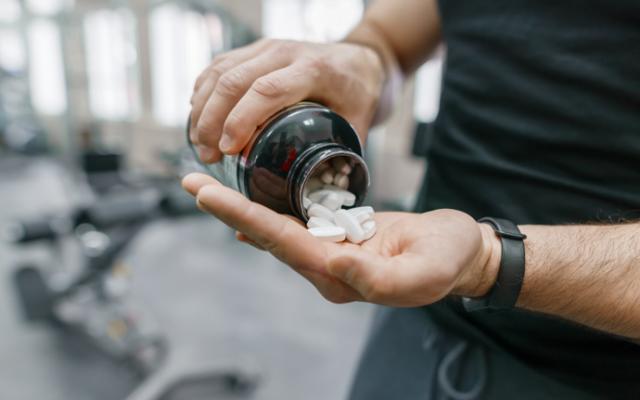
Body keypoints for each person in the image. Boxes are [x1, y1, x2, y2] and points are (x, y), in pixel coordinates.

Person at [182, 0, 640, 398]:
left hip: (585, 373)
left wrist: (489, 259)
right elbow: (388, 38)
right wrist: (364, 61)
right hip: (416, 322)